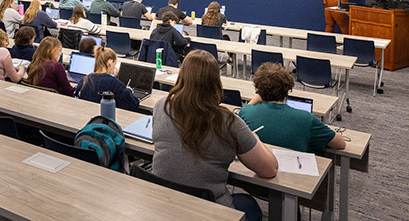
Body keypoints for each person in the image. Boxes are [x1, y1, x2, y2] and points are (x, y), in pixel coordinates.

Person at [152, 50, 277, 220]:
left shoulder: (161, 106)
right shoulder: (228, 121)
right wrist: (254, 139)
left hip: (162, 204)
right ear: (216, 81)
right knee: (248, 203)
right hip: (208, 211)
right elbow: (270, 169)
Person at [239, 63, 346, 152]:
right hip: (293, 172)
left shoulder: (247, 111)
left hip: (257, 167)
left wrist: (258, 96)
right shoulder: (306, 118)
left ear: (258, 90)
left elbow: (241, 114)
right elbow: (340, 144)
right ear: (288, 89)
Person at [75, 46, 140, 111]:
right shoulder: (114, 83)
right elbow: (134, 105)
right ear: (110, 62)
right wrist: (129, 91)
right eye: (115, 64)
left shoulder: (84, 80)